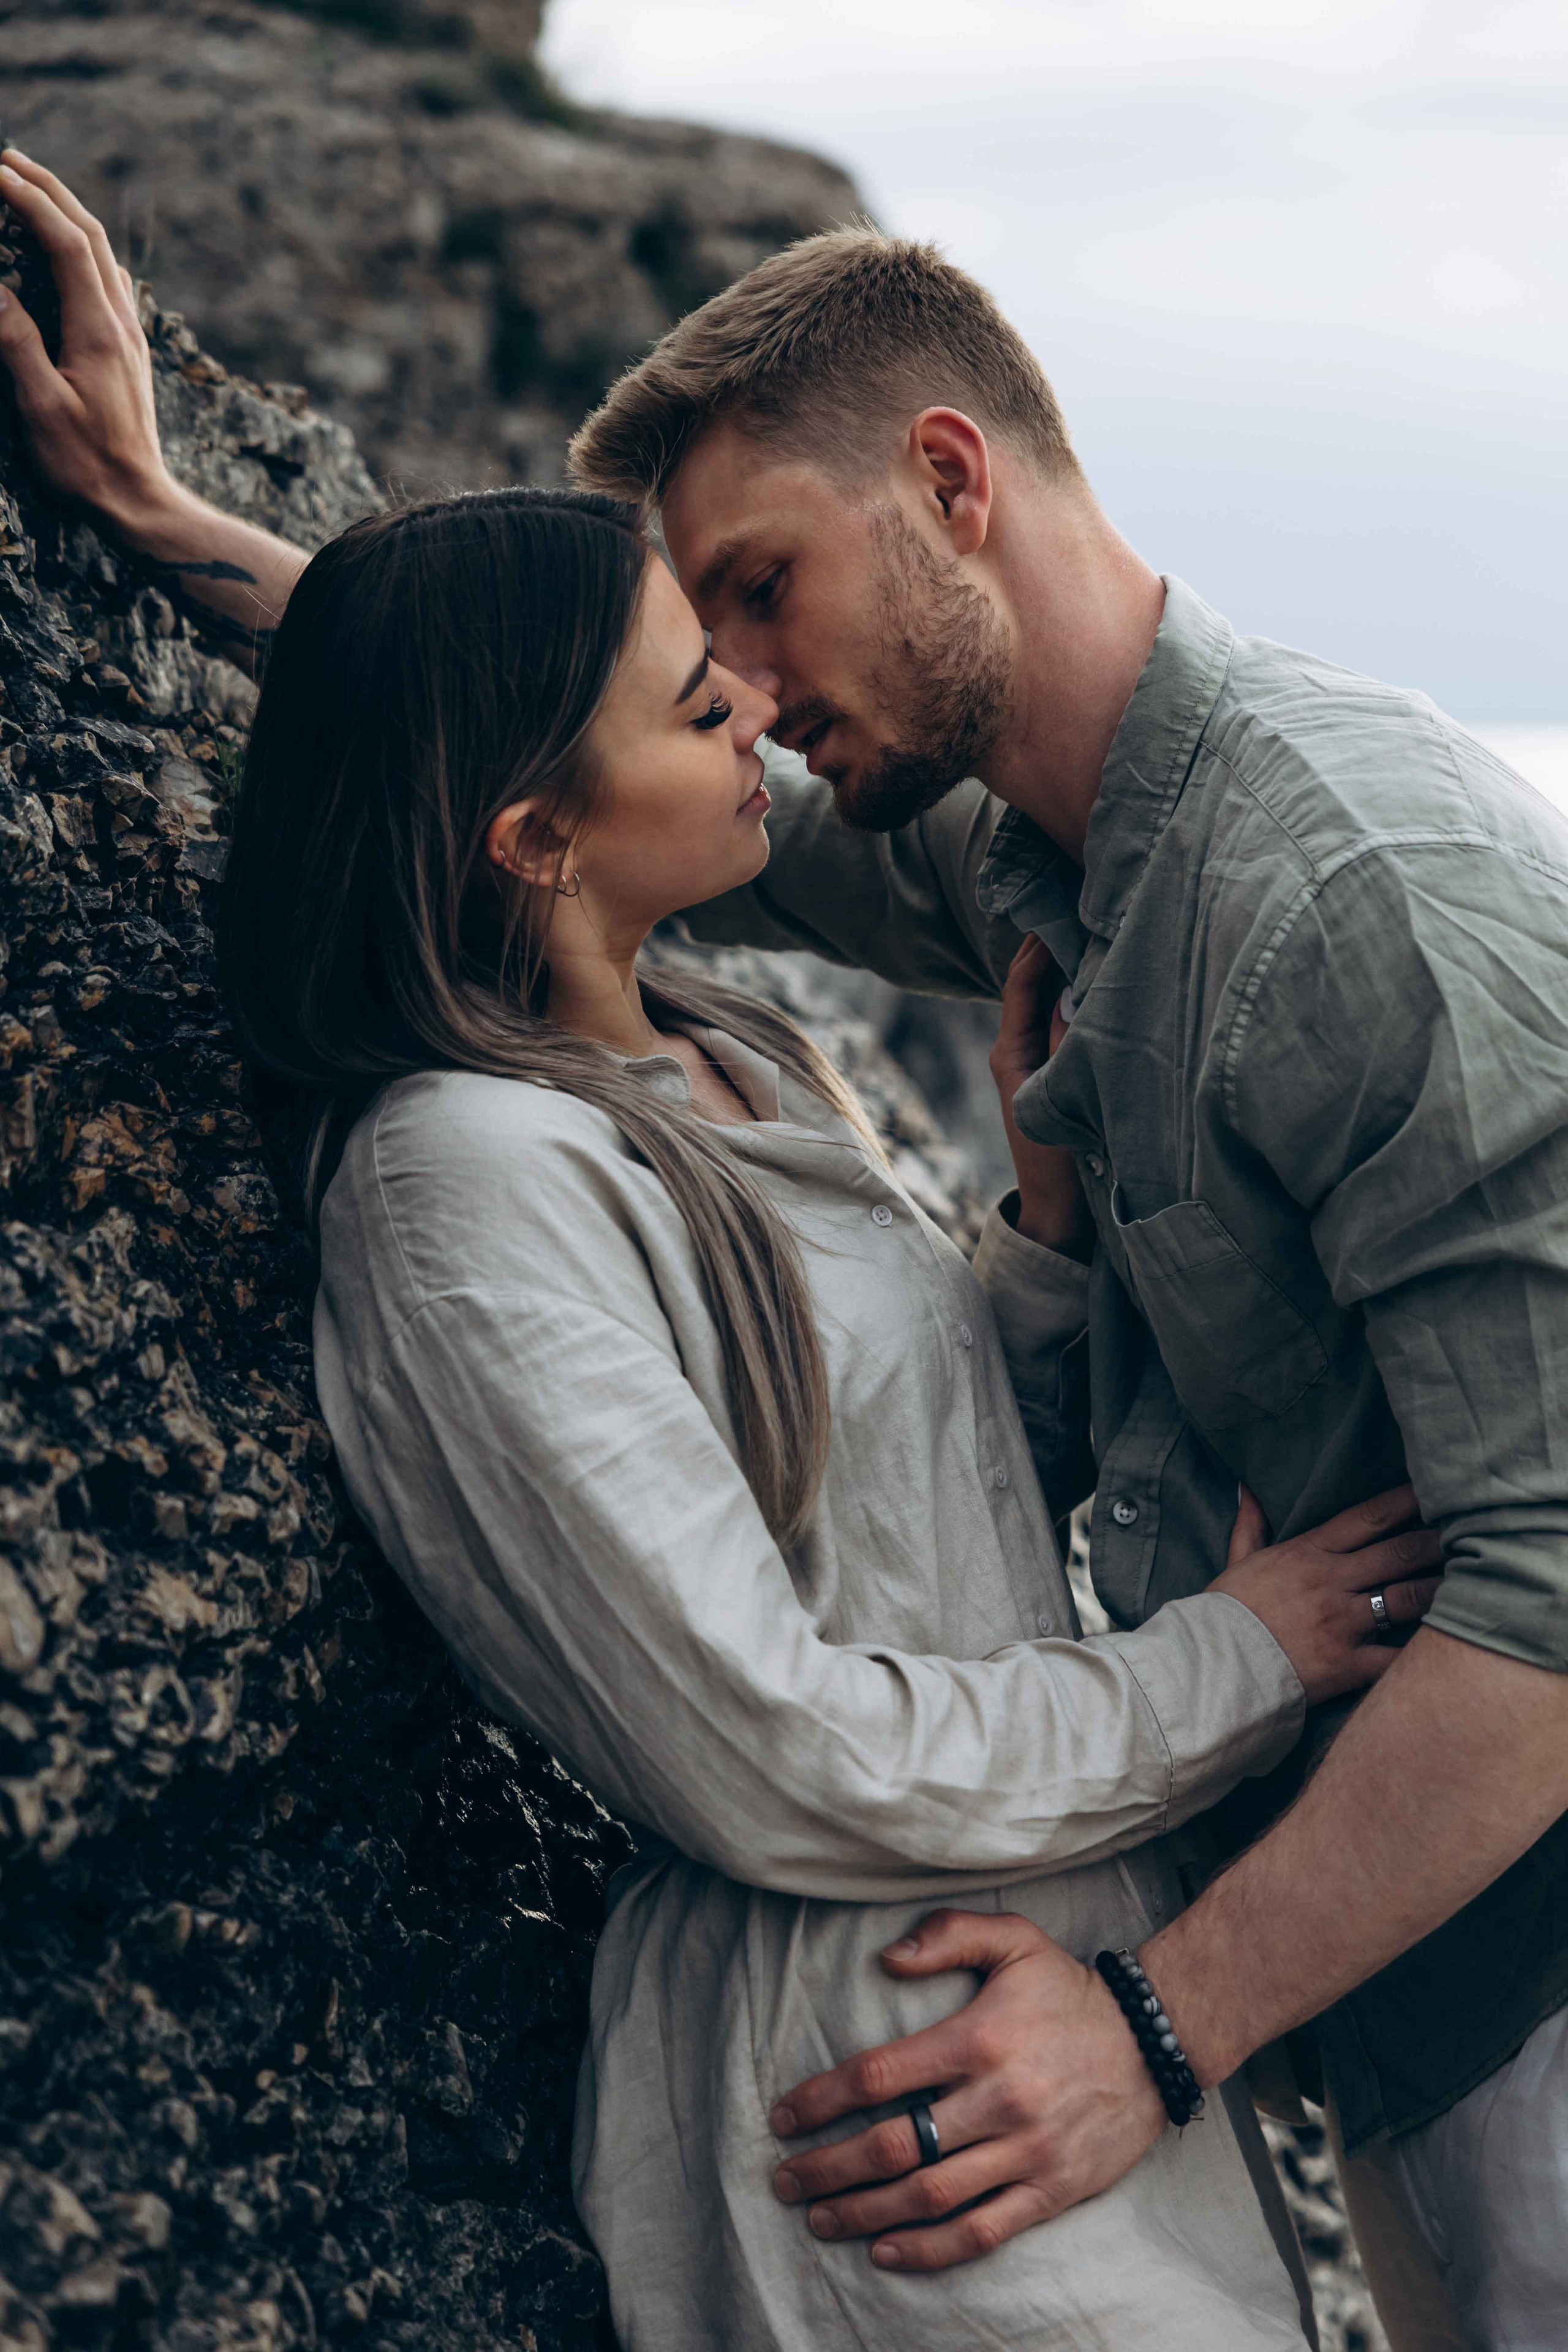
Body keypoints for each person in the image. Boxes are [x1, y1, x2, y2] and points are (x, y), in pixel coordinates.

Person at [1, 146, 1563, 2346]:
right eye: (698, 651)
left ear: (948, 482)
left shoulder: (1351, 895)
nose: (740, 686)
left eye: (756, 590)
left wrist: (1164, 2013)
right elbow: (495, 734)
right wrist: (174, 529)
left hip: (1486, 1956)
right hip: (1301, 1974)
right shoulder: (1028, 855)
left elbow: (1553, 1588)